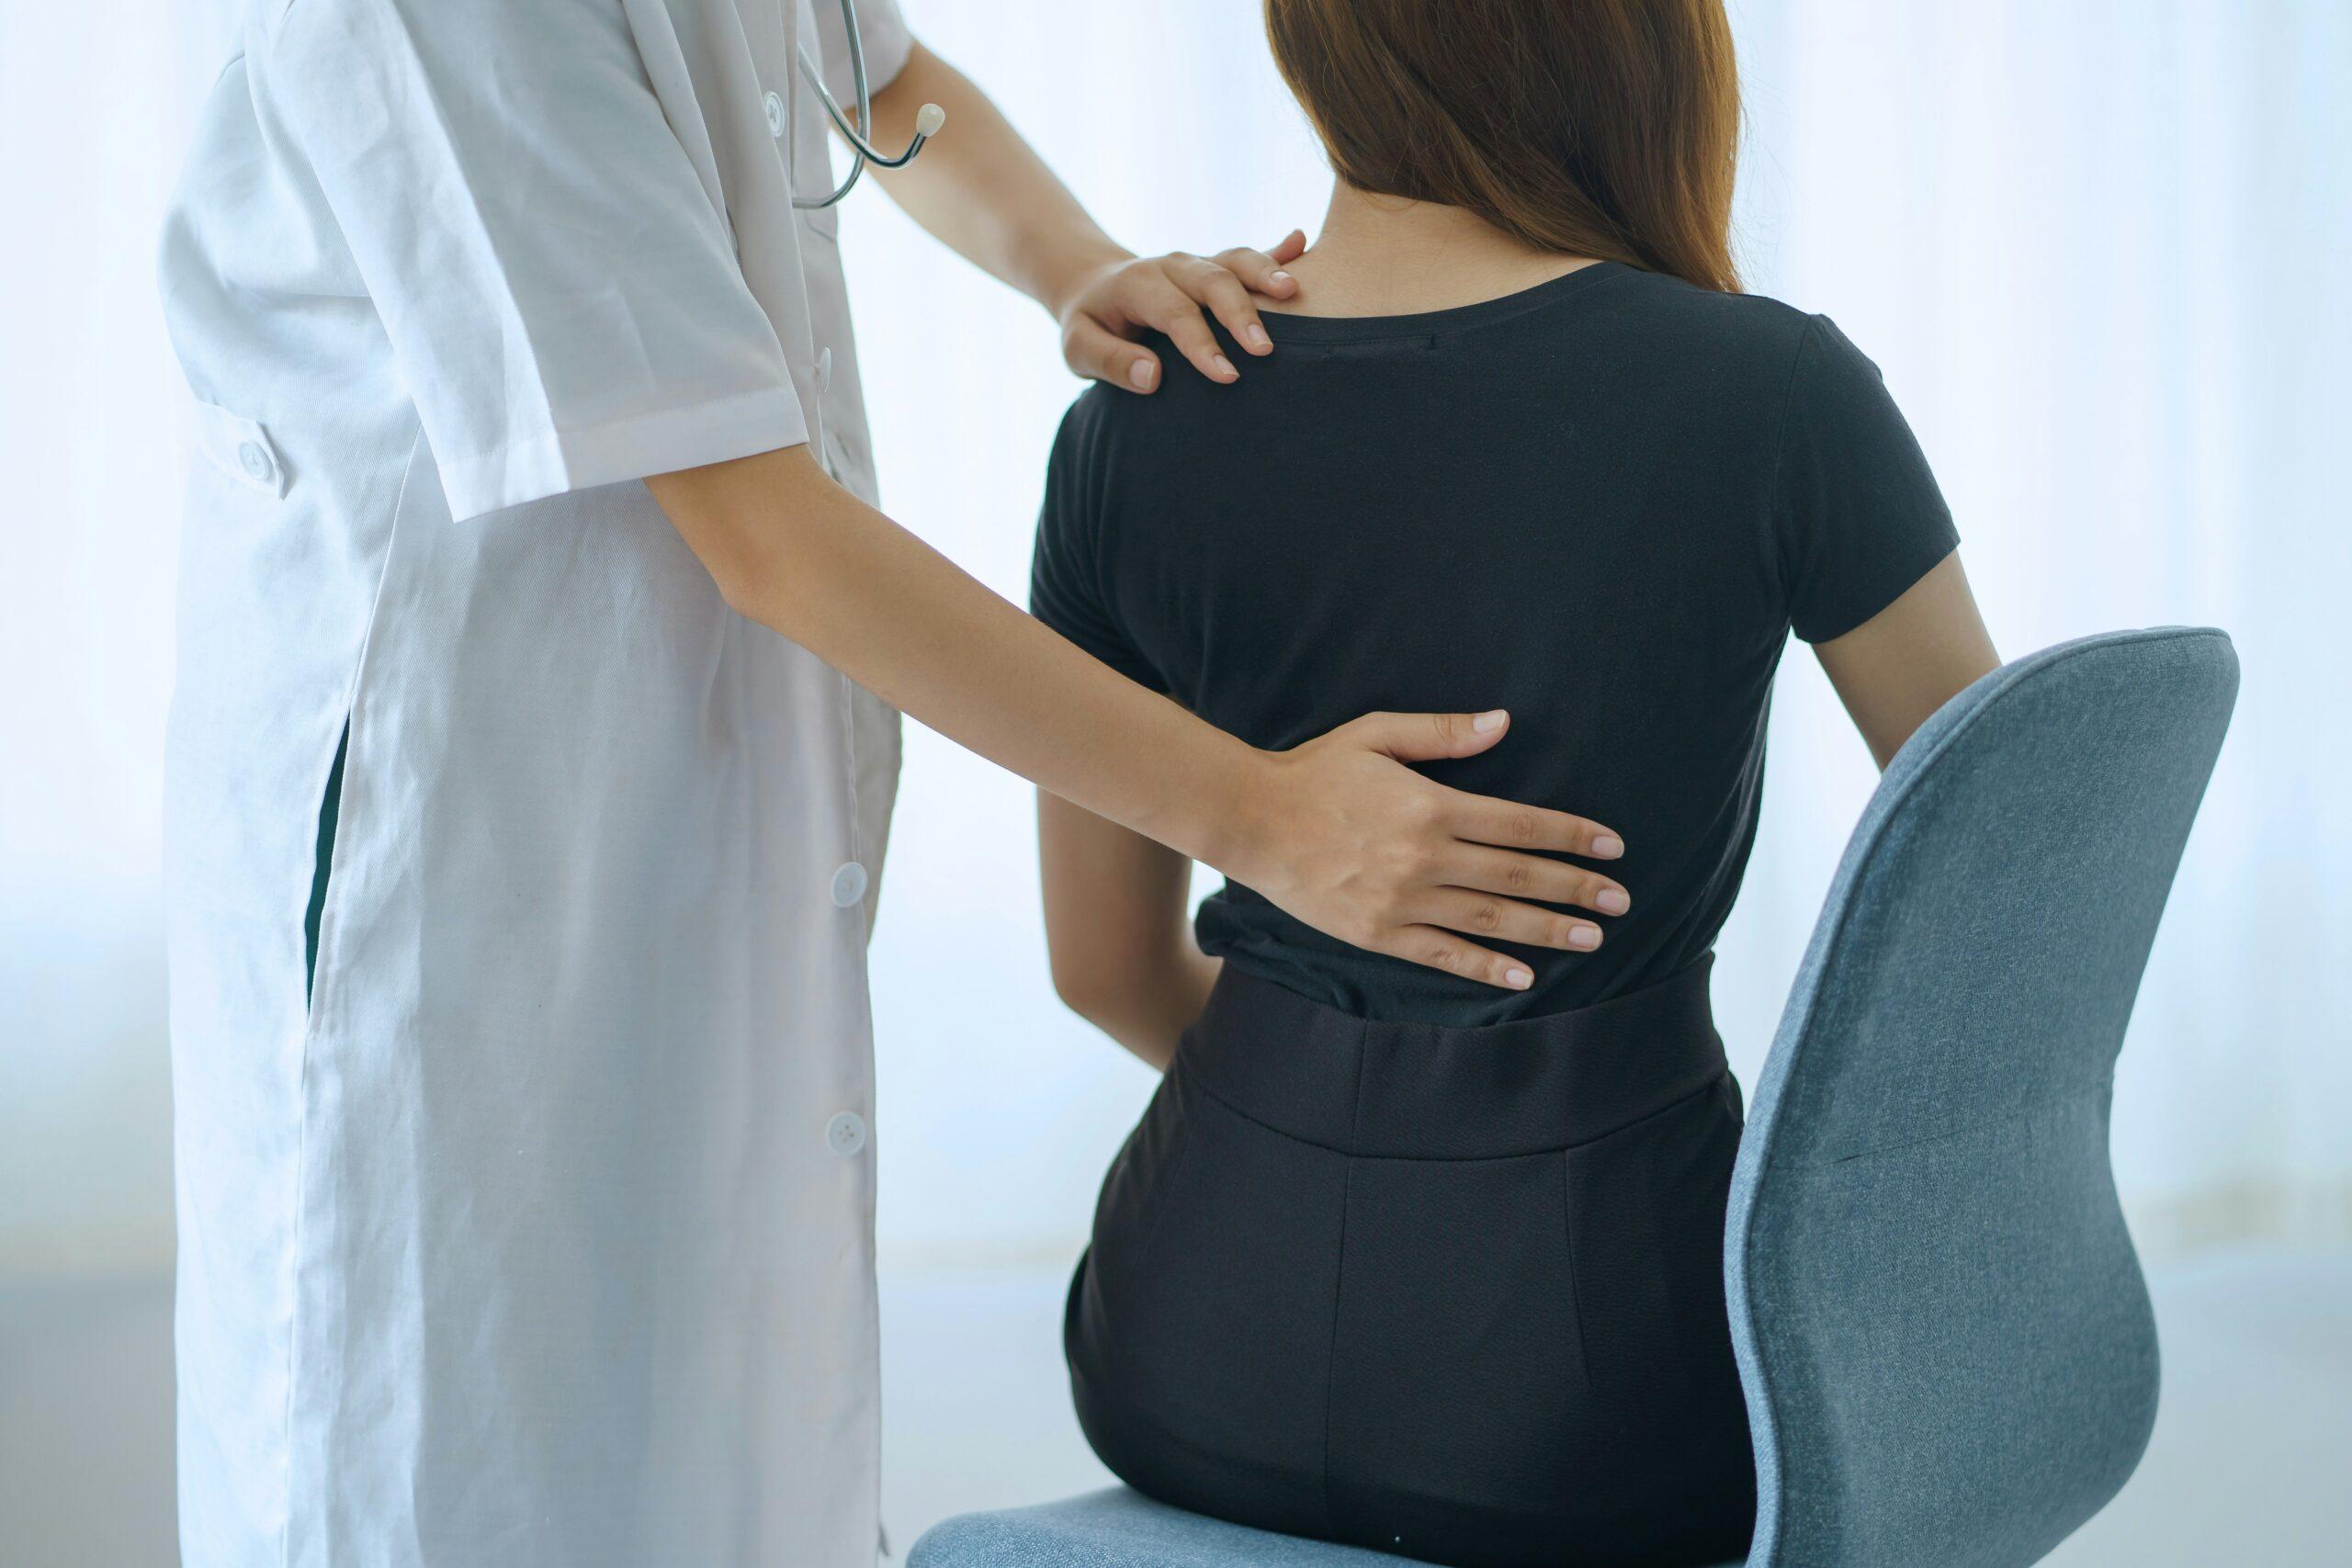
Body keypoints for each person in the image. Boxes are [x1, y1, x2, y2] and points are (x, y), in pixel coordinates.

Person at [153, 3, 1626, 1564]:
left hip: (691, 815)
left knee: (705, 1424)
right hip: (454, 850)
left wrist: (1077, 268)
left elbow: (877, 76)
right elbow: (766, 536)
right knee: (458, 1448)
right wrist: (1264, 817)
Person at [1035, 2, 2005, 1564]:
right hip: (1597, 1396)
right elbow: (2011, 877)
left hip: (1182, 1345)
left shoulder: (1129, 419)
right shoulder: (1773, 393)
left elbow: (1101, 970)